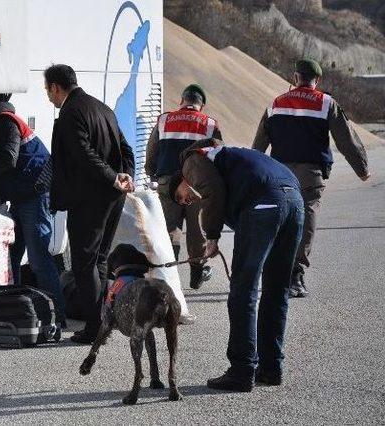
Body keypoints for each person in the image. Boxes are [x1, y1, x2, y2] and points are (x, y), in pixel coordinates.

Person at [171, 138, 304, 391]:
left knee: (244, 292)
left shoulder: (192, 159)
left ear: (182, 179)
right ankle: (271, 367)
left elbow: (211, 190)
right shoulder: (234, 156)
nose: (187, 201)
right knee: (276, 291)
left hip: (265, 202)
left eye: (182, 197)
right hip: (294, 203)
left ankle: (242, 371)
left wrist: (211, 236)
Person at [253, 59, 370, 298]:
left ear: (295, 77)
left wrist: (253, 176)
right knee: (306, 218)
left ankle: (274, 275)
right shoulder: (326, 103)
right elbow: (346, 140)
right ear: (316, 80)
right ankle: (295, 276)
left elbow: (259, 145)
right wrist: (362, 169)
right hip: (310, 174)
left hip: (279, 175)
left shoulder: (275, 104)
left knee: (280, 220)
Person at [44, 64, 135, 344]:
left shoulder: (71, 112)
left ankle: (95, 327)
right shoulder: (102, 108)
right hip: (112, 196)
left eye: (48, 91)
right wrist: (126, 175)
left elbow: (83, 154)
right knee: (100, 260)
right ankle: (102, 322)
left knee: (84, 263)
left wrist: (111, 178)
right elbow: (126, 148)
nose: (49, 97)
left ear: (56, 87)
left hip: (90, 197)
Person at [0, 99, 67, 324]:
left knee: (38, 259)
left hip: (35, 194)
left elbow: (8, 159)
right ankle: (14, 311)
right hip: (20, 196)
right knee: (11, 257)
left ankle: (58, 315)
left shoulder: (4, 122)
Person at [145, 84, 220, 289]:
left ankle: (170, 277)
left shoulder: (164, 119)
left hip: (168, 182)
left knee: (170, 228)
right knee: (196, 229)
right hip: (197, 184)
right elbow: (217, 157)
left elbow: (152, 151)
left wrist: (153, 173)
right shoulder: (210, 124)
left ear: (181, 101)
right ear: (201, 106)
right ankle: (197, 274)